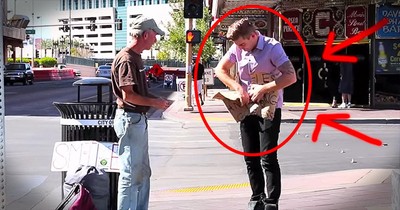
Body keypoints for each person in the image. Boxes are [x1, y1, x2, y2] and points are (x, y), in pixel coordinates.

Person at [214, 18, 296, 210]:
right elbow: (220, 69)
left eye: (242, 44)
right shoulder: (237, 49)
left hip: (269, 107)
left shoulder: (272, 47)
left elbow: (290, 76)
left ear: (253, 36)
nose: (240, 49)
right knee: (250, 155)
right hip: (246, 107)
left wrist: (264, 88)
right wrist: (237, 87)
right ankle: (257, 196)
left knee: (267, 155)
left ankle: (272, 200)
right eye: (237, 46)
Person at [110, 15, 170, 210]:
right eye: (155, 35)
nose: (156, 39)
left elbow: (137, 93)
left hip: (135, 119)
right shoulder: (127, 59)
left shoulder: (134, 57)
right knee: (130, 173)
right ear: (145, 34)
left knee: (142, 172)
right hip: (130, 119)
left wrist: (157, 101)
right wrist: (155, 102)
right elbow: (129, 96)